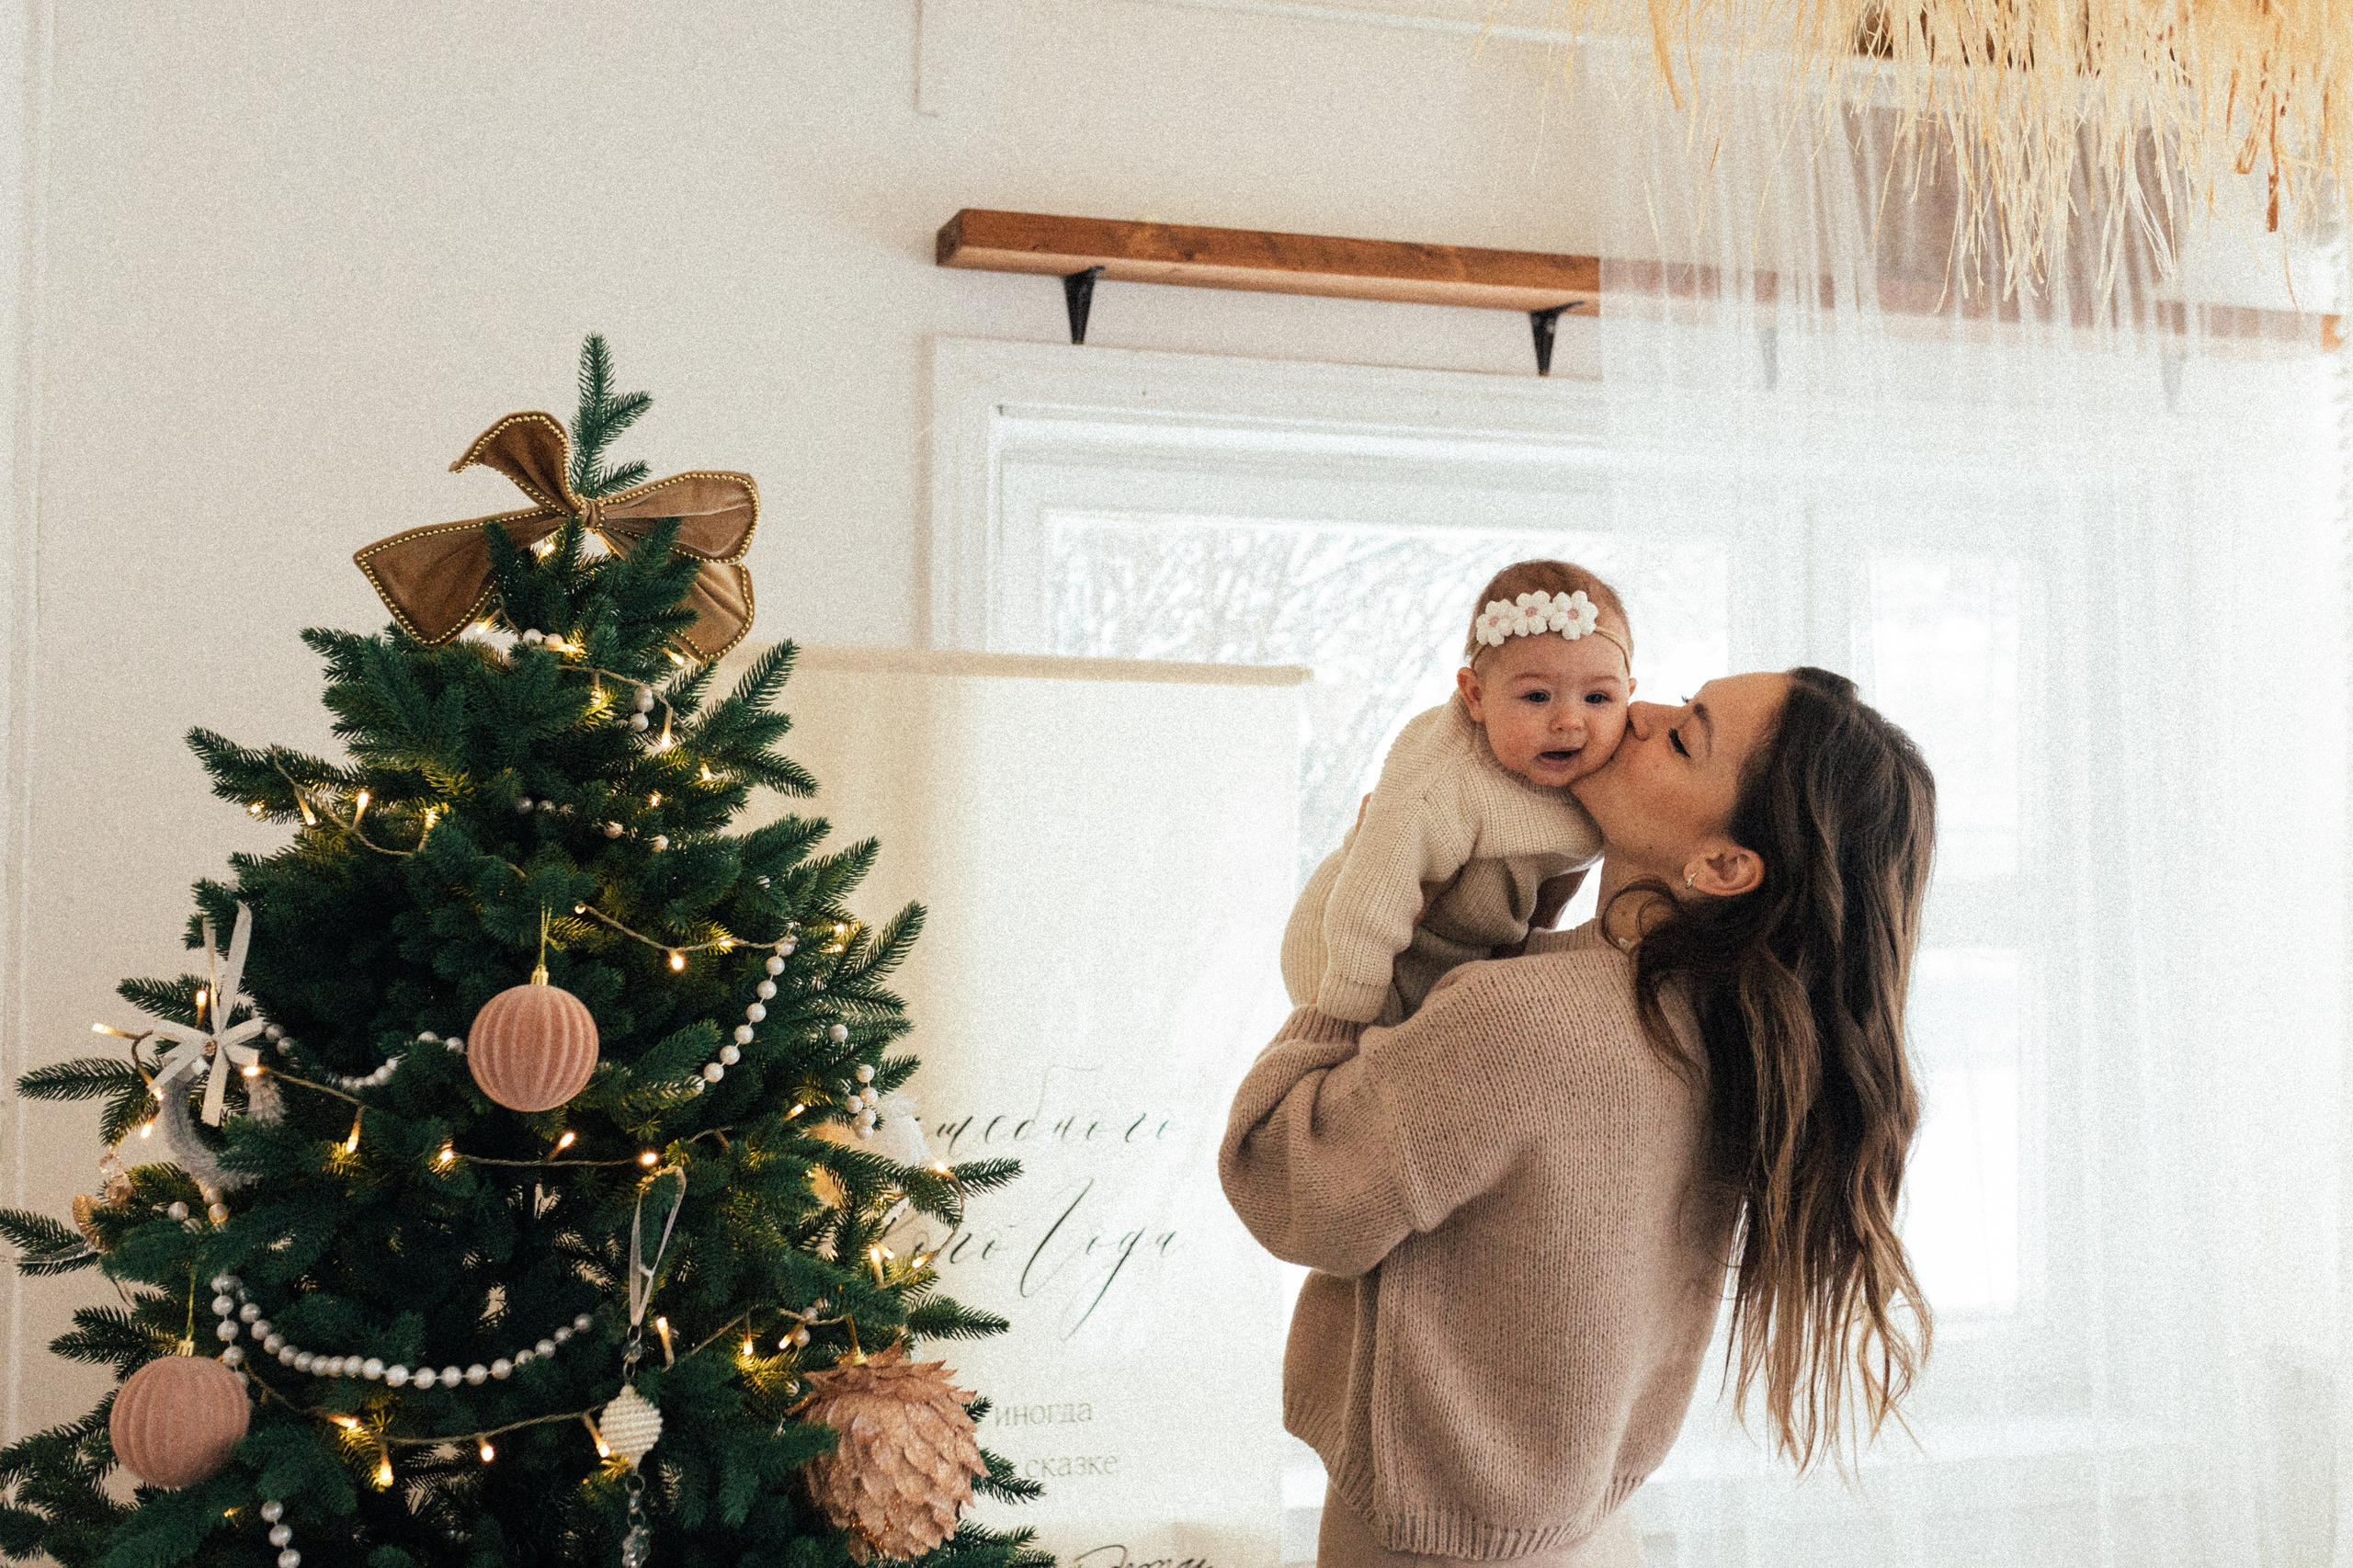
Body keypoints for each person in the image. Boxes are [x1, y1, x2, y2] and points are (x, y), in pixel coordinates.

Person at [1221, 667, 1937, 1568]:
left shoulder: (1514, 1023)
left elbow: (1288, 1187)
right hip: (1595, 1531)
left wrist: (1340, 990)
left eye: (1684, 736)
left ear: (1723, 864)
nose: (1639, 713)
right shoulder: (1731, 1037)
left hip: (1429, 1546)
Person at [1281, 561, 1632, 1027]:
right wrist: (1344, 1023)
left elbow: (1553, 893)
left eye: (1597, 699)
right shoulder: (1446, 778)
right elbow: (1372, 900)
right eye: (1536, 697)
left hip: (1455, 956)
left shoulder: (1605, 773)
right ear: (1476, 697)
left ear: (1628, 696)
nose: (1570, 722)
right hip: (1345, 941)